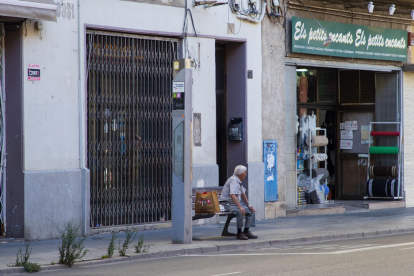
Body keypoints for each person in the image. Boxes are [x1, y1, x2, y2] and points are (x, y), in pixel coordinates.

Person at [220, 165, 257, 240]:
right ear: (240, 173)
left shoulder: (238, 181)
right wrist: (240, 207)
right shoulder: (233, 180)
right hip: (227, 204)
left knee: (251, 211)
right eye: (245, 172)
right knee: (240, 211)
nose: (246, 174)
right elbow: (232, 195)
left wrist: (249, 205)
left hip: (234, 204)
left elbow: (243, 194)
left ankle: (246, 231)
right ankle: (239, 233)